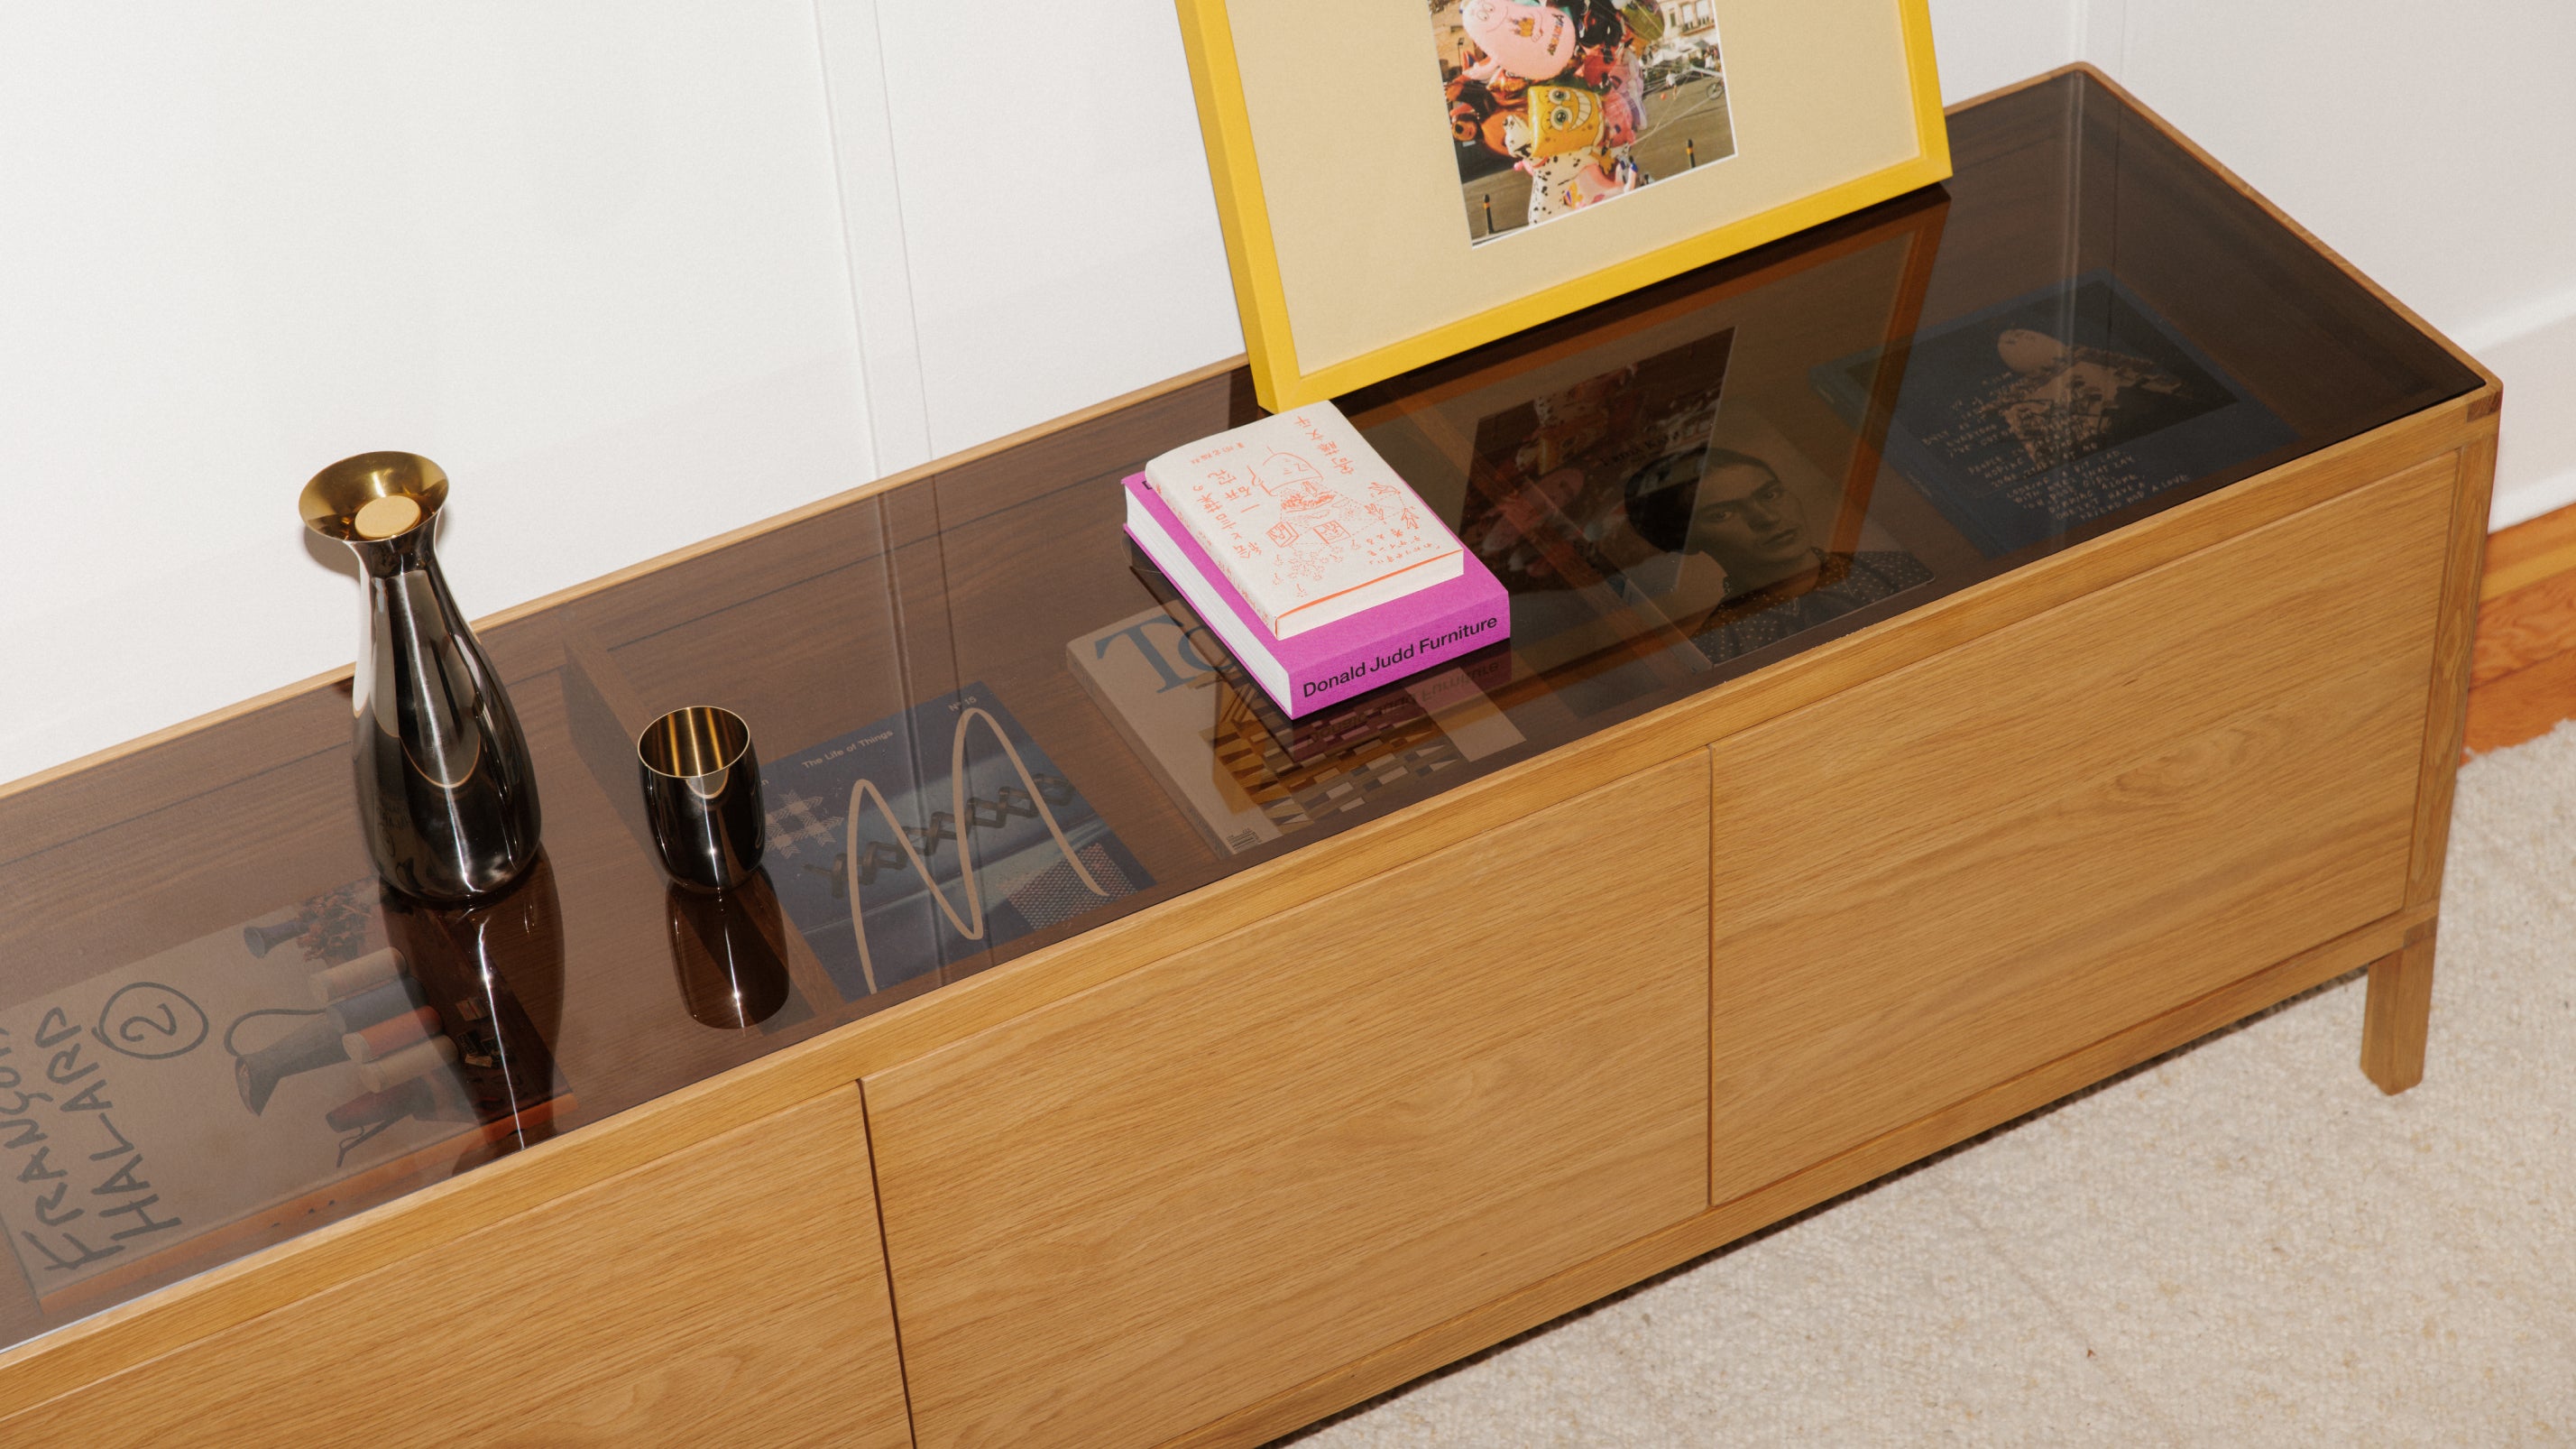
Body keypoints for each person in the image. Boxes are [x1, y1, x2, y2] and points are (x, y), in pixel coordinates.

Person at [1620, 445, 1931, 663]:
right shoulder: (1719, 649)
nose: (1767, 518)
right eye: (1723, 514)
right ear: (1686, 540)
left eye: (1769, 494)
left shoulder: (1897, 569)